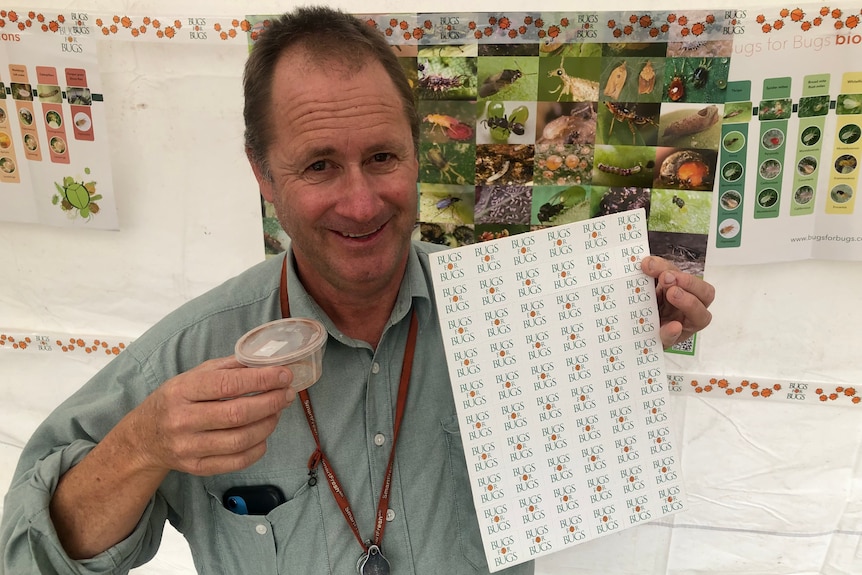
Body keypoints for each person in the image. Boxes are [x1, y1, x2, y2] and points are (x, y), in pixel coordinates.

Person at [0, 7, 715, 574]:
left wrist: (621, 321)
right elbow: (32, 556)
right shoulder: (191, 355)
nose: (362, 201)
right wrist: (142, 444)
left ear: (417, 150)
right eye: (318, 165)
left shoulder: (509, 313)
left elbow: (584, 453)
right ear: (262, 174)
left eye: (382, 157)